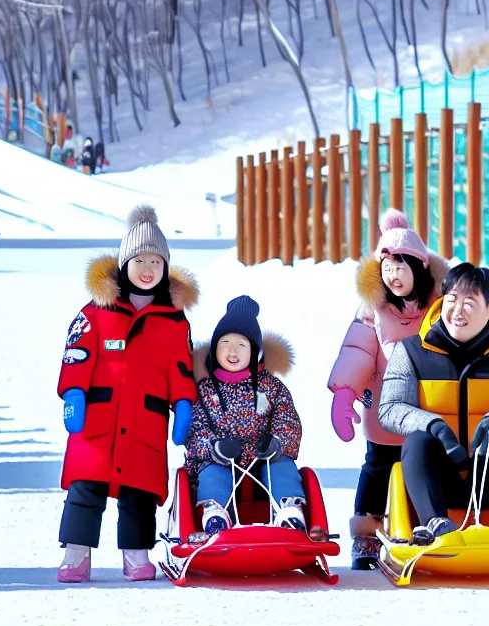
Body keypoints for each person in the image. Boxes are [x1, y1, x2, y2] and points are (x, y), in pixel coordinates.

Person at [56, 205, 198, 583]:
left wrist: (183, 403)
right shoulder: (97, 311)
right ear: (125, 262)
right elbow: (77, 354)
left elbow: (181, 368)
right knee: (86, 488)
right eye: (139, 260)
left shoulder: (173, 320)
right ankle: (76, 554)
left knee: (139, 494)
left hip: (144, 423)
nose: (148, 268)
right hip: (98, 420)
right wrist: (73, 393)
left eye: (156, 260)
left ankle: (136, 555)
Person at [378, 263, 489, 546]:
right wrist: (433, 425)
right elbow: (390, 407)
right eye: (451, 300)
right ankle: (434, 524)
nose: (458, 311)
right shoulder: (411, 351)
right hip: (437, 477)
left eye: (469, 302)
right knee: (418, 442)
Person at [328, 209, 449, 568]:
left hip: (429, 409)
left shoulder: (440, 306)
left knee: (427, 467)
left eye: (401, 267)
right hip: (385, 406)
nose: (393, 276)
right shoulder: (373, 310)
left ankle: (424, 525)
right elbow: (358, 350)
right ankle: (366, 535)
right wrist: (345, 393)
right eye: (387, 269)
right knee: (378, 467)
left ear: (419, 267)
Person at [186, 295, 314, 539]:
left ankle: (290, 512)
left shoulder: (271, 387)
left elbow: (287, 420)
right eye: (225, 343)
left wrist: (277, 442)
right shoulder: (204, 390)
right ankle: (214, 515)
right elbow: (195, 430)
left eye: (242, 345)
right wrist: (213, 447)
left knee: (282, 466)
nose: (232, 351)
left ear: (254, 351)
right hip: (220, 459)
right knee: (213, 472)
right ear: (215, 349)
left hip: (262, 460)